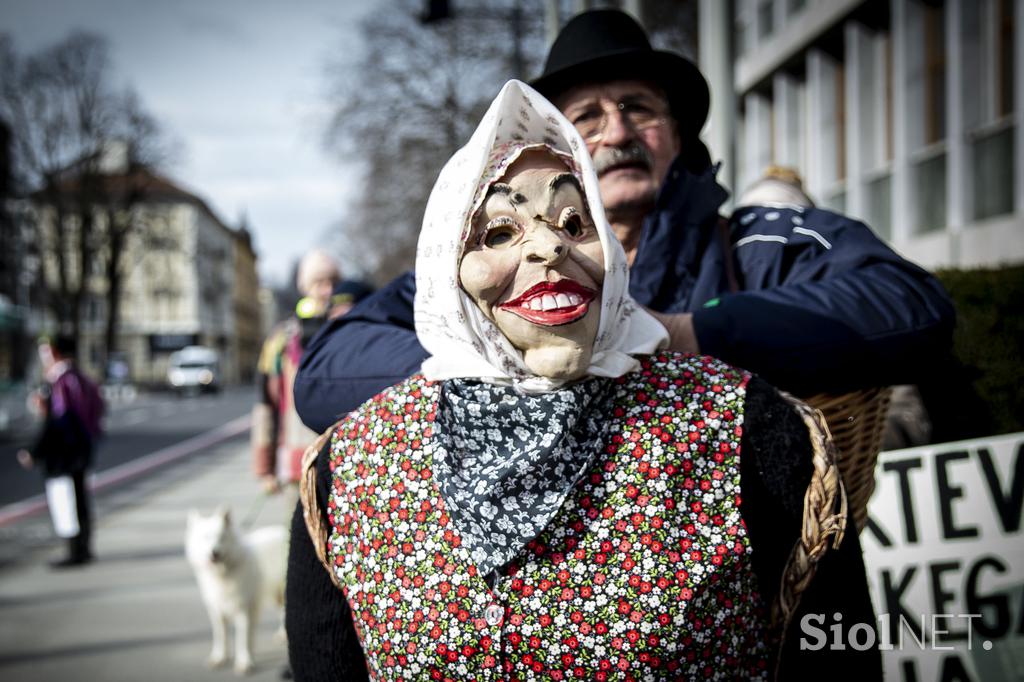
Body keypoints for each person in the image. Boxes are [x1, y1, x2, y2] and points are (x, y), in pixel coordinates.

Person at [285, 81, 879, 680]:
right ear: (447, 269)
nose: (549, 247)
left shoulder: (748, 426)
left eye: (575, 221)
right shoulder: (352, 469)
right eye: (498, 233)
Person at [292, 9, 955, 435]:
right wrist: (501, 352)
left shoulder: (760, 244)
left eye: (638, 107)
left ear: (676, 135)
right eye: (586, 120)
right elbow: (324, 376)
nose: (617, 132)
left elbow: (913, 309)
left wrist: (686, 334)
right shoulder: (472, 278)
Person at [251, 249, 340, 494]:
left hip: (341, 458)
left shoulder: (347, 329)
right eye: (320, 282)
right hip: (297, 459)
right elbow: (266, 402)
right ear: (306, 286)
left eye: (333, 282)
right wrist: (265, 468)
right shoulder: (281, 340)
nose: (328, 290)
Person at [17, 335, 105, 568]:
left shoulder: (60, 381)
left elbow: (58, 420)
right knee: (80, 499)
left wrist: (35, 451)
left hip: (64, 454)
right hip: (82, 448)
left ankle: (75, 551)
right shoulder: (81, 378)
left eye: (45, 351)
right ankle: (83, 549)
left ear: (54, 352)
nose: (43, 357)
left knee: (66, 501)